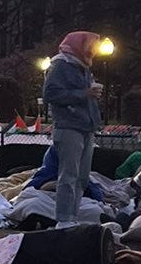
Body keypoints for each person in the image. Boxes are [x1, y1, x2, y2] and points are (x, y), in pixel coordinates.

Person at [41, 31, 103, 227]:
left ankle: (71, 217)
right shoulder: (60, 65)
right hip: (69, 126)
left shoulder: (82, 67)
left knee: (81, 177)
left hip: (85, 127)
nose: (93, 52)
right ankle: (64, 219)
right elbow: (50, 94)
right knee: (69, 175)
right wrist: (84, 94)